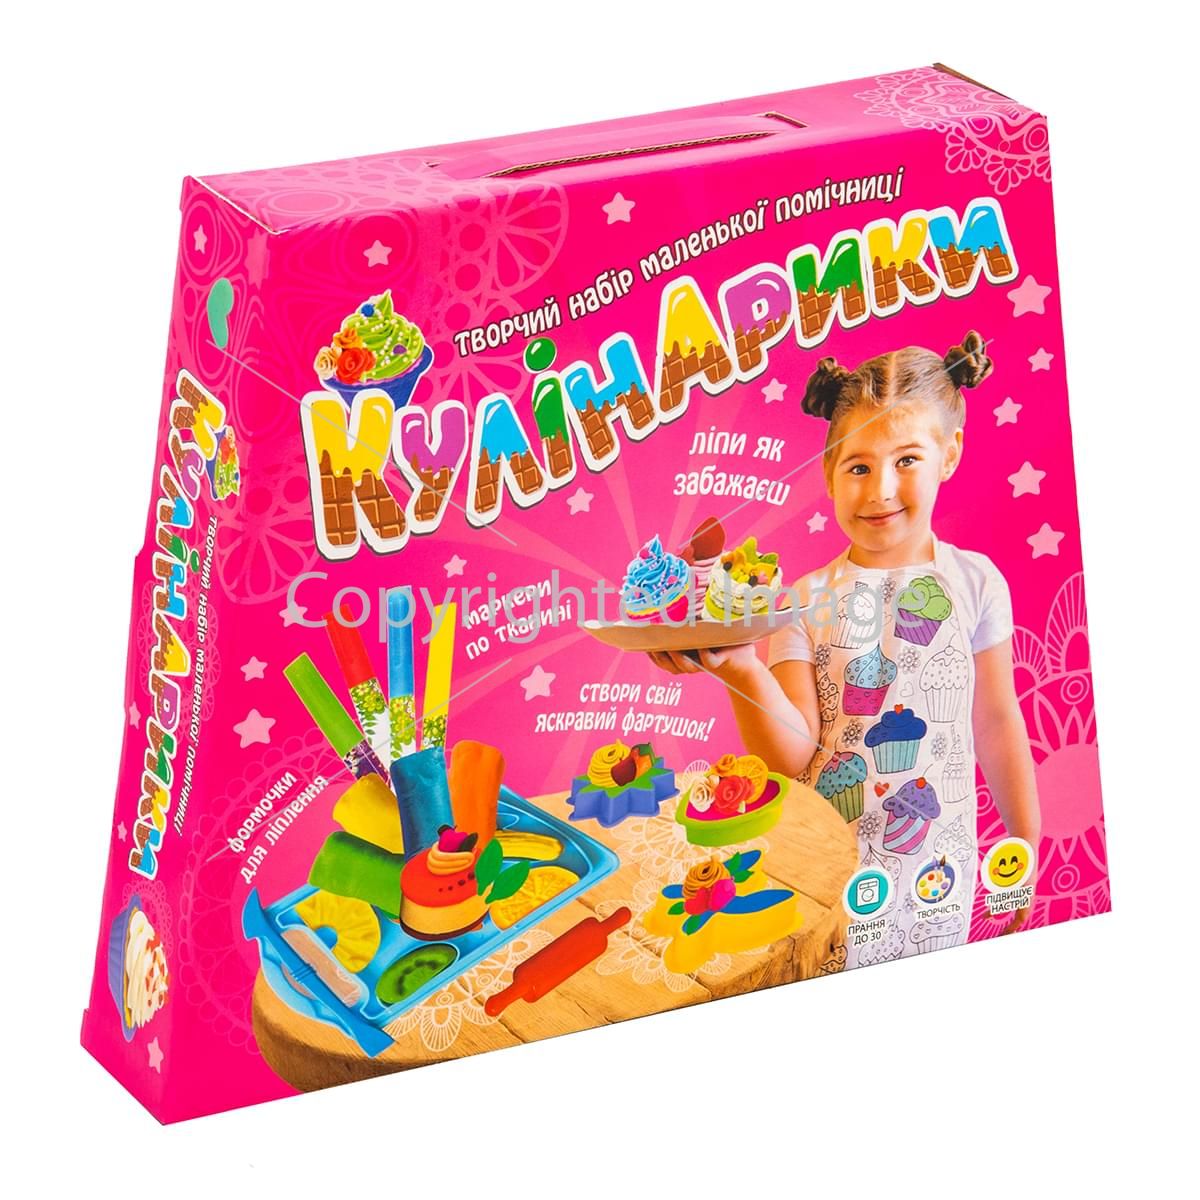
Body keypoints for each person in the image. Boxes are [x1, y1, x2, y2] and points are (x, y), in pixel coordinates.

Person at [649, 332, 1041, 962]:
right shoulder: (802, 601)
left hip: (940, 870)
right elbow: (792, 755)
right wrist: (741, 669)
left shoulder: (976, 583)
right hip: (829, 872)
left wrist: (1025, 842)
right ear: (829, 474)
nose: (880, 488)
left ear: (949, 454)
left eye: (906, 460)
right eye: (858, 466)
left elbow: (996, 722)